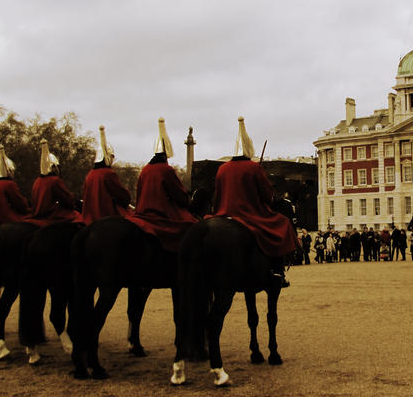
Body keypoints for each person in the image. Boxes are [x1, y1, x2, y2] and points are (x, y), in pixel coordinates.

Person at [209, 117, 297, 287]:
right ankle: (277, 271)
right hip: (248, 214)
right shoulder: (253, 167)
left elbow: (218, 195)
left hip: (223, 213)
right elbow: (266, 196)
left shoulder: (222, 168)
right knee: (282, 224)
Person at [126, 118, 198, 253]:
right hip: (161, 214)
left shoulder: (145, 169)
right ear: (167, 154)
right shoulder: (166, 170)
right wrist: (187, 201)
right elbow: (178, 195)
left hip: (142, 213)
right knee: (192, 227)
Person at [82, 125, 132, 226]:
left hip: (89, 218)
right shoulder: (108, 173)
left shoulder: (90, 174)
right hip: (107, 216)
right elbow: (122, 196)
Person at [27, 140, 82, 226]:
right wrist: (73, 200)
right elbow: (67, 200)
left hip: (38, 214)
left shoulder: (37, 181)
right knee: (78, 217)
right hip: (51, 215)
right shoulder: (55, 180)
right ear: (54, 167)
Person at [0, 145, 31, 227]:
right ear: (9, 171)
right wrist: (28, 208)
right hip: (7, 219)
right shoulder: (9, 184)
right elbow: (19, 203)